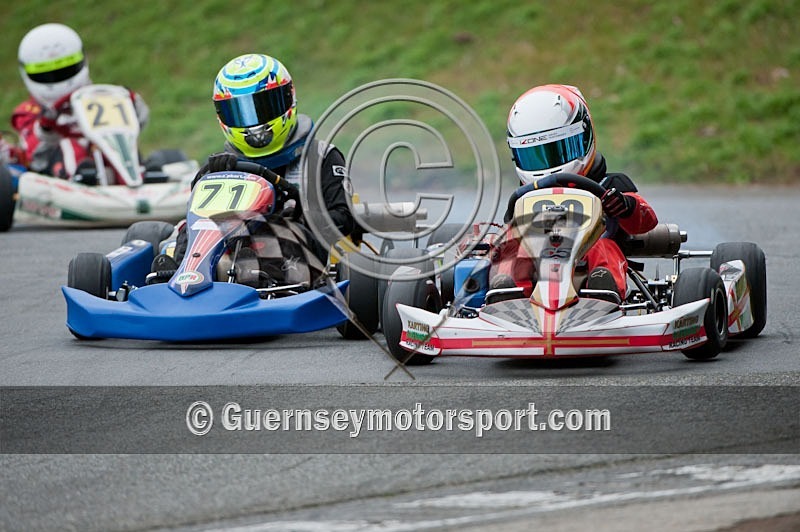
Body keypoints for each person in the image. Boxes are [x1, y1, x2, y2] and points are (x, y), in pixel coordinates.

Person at [173, 53, 354, 268]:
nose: (254, 125)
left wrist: (290, 218)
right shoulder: (223, 167)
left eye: (264, 107)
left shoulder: (321, 156)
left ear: (289, 98)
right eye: (239, 113)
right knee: (180, 232)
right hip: (230, 249)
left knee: (280, 240)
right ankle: (177, 275)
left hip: (296, 258)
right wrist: (211, 178)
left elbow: (343, 218)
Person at [492, 84, 658, 301]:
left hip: (589, 269)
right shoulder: (524, 197)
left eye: (560, 150)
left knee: (602, 247)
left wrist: (625, 206)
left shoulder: (610, 184)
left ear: (584, 136)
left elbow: (647, 222)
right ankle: (507, 296)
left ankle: (604, 291)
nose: (549, 166)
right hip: (538, 270)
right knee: (515, 253)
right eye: (535, 155)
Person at [11, 23, 149, 180]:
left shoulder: (100, 99)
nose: (57, 77)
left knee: (165, 158)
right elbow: (35, 155)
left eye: (65, 68)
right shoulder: (28, 112)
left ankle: (139, 174)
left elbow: (138, 124)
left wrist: (132, 106)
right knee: (70, 146)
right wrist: (48, 127)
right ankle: (83, 177)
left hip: (111, 163)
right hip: (57, 178)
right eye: (45, 72)